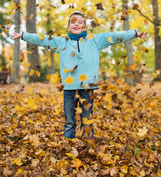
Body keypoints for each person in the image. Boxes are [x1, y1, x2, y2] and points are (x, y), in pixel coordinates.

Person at [11, 11, 147, 142]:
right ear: (68, 27)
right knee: (70, 119)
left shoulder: (95, 41)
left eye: (80, 22)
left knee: (86, 117)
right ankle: (67, 141)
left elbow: (114, 36)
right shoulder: (61, 43)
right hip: (69, 89)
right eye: (73, 22)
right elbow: (42, 39)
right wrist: (24, 35)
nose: (76, 24)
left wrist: (134, 33)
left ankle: (88, 141)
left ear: (85, 27)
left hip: (87, 87)